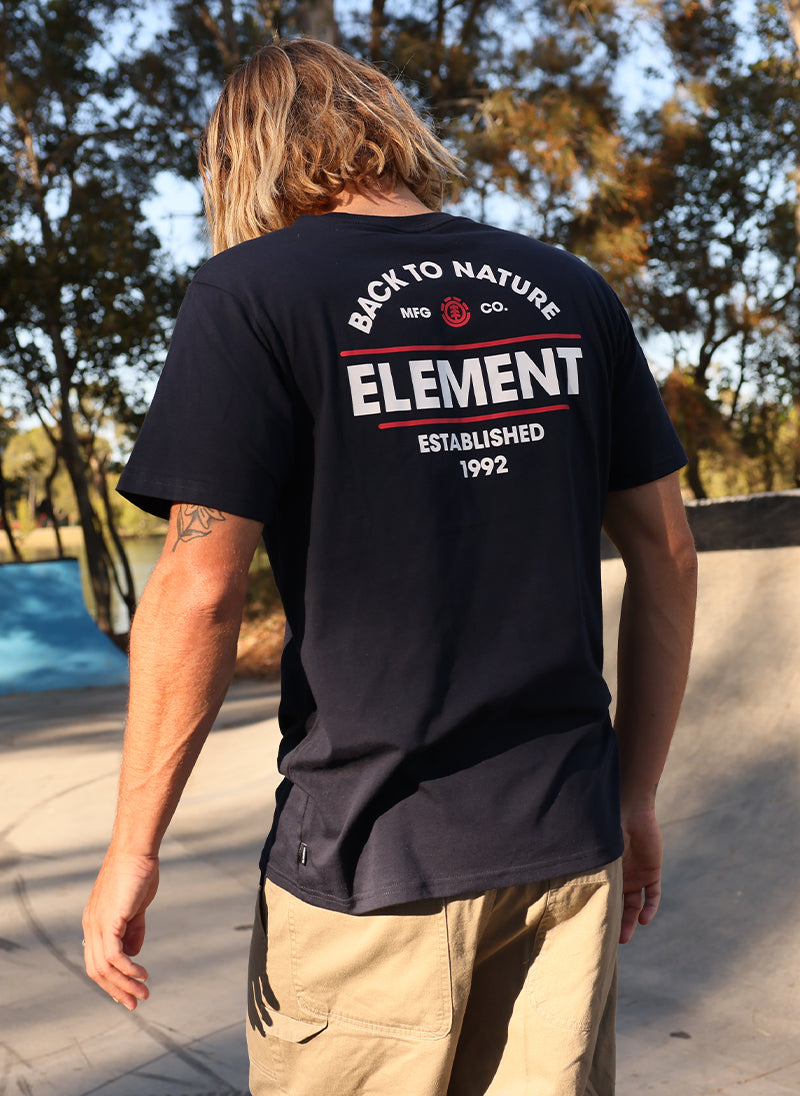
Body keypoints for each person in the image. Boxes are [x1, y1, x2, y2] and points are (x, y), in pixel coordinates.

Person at [83, 37, 697, 1096]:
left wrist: (131, 847)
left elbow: (198, 584)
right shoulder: (568, 289)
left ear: (245, 159)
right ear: (385, 123)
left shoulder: (248, 294)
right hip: (562, 843)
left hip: (369, 863)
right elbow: (667, 555)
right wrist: (633, 792)